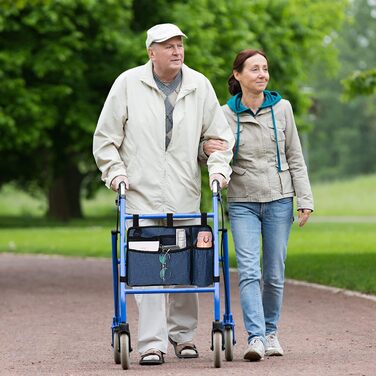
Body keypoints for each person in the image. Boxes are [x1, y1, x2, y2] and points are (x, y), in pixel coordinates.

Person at [93, 23, 234, 366]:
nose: (176, 51)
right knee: (147, 267)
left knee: (187, 263)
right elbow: (105, 139)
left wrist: (217, 165)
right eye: (167, 45)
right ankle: (152, 343)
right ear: (150, 52)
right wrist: (116, 174)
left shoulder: (199, 85)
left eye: (179, 45)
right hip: (140, 194)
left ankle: (184, 336)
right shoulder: (128, 83)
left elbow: (218, 138)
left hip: (184, 191)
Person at [204, 49, 314, 361]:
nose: (262, 74)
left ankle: (271, 332)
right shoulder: (225, 114)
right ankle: (255, 339)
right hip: (242, 202)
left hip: (280, 199)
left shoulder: (283, 109)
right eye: (255, 69)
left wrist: (304, 199)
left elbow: (295, 156)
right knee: (250, 271)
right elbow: (215, 151)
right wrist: (205, 148)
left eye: (265, 69)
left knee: (275, 272)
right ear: (237, 75)